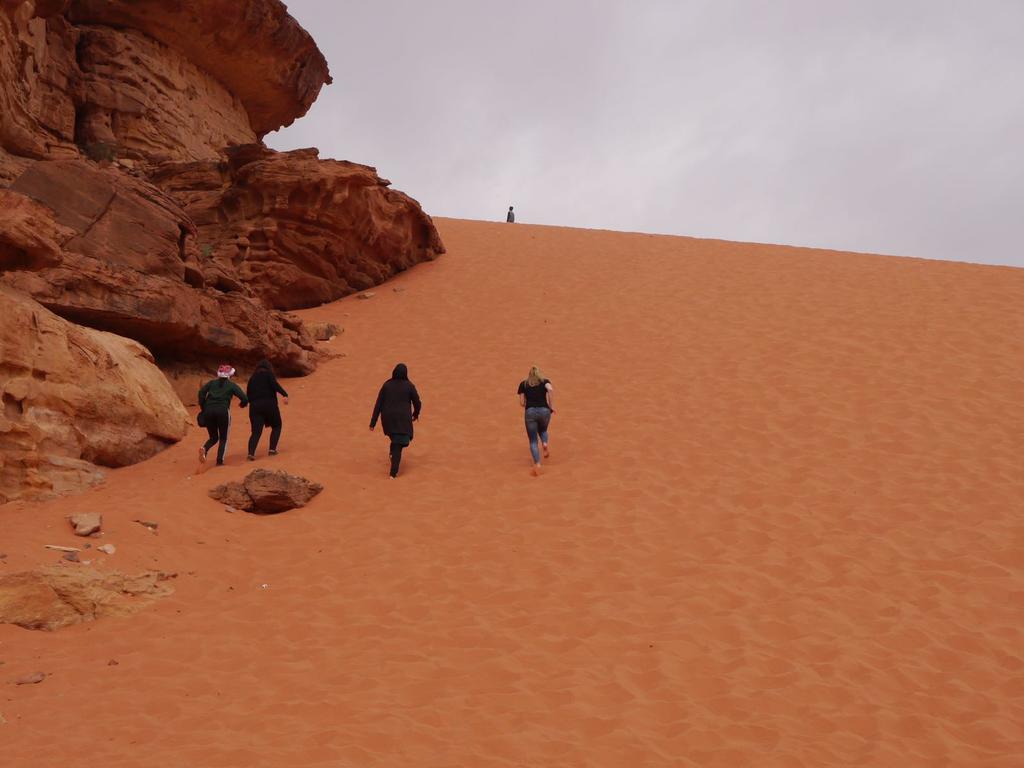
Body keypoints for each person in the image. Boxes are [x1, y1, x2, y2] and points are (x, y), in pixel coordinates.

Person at [369, 363, 422, 478]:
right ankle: (393, 473)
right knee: (400, 443)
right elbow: (417, 402)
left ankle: (393, 454)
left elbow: (378, 404)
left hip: (388, 419)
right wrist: (416, 414)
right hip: (403, 420)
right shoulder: (409, 386)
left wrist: (373, 423)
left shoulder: (386, 385)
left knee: (396, 440)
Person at [198, 364, 248, 466]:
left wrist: (203, 406)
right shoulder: (231, 385)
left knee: (213, 437)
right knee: (223, 437)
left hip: (208, 411)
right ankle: (219, 461)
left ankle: (205, 449)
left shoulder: (212, 383)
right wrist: (242, 404)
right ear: (229, 375)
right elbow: (244, 398)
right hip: (222, 411)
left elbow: (201, 392)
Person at [246, 359, 289, 460]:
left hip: (255, 406)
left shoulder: (252, 378)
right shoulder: (268, 374)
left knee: (256, 432)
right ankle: (272, 450)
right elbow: (275, 385)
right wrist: (284, 394)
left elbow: (248, 393)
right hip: (269, 404)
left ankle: (251, 453)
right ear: (269, 367)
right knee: (277, 425)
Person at [517, 365, 555, 475]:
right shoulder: (545, 382)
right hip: (544, 411)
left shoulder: (523, 384)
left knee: (533, 441)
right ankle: (544, 442)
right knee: (543, 430)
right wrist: (550, 406)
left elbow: (521, 403)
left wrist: (526, 403)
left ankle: (537, 463)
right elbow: (550, 390)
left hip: (530, 412)